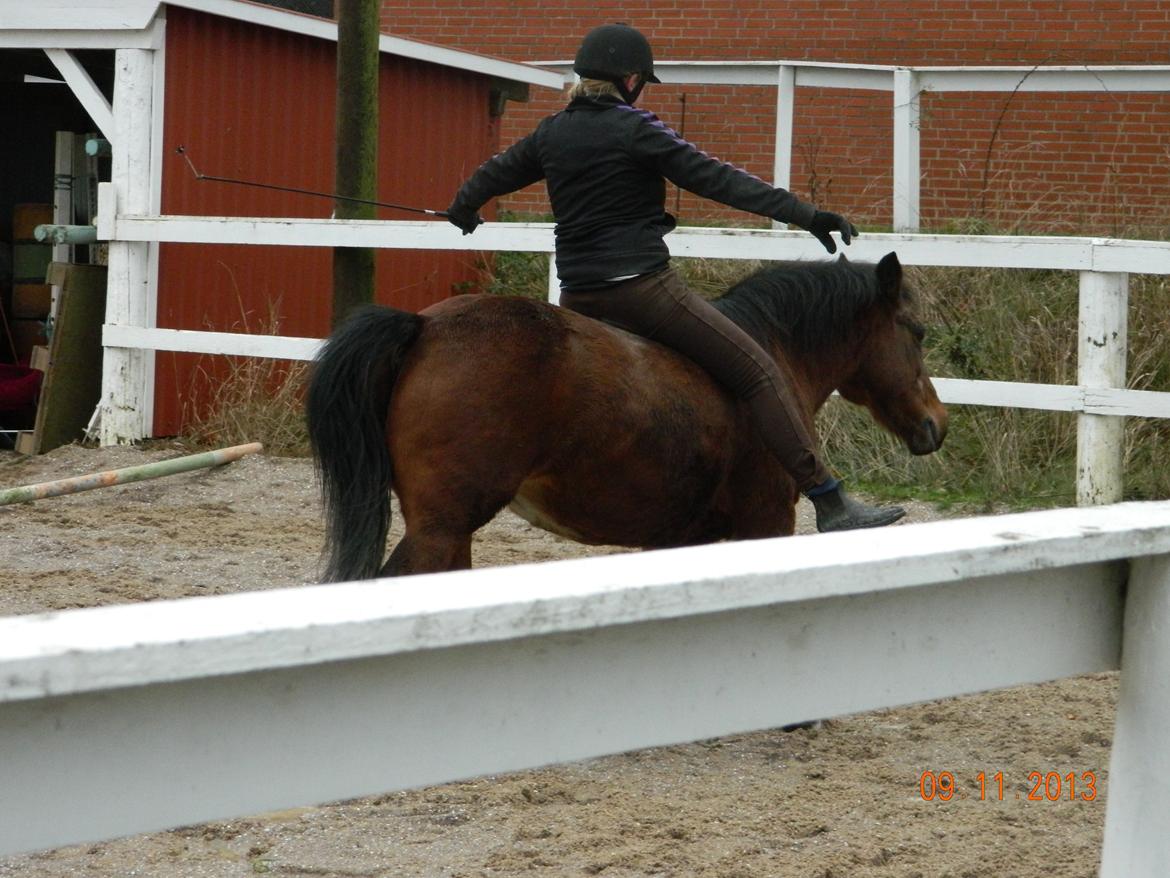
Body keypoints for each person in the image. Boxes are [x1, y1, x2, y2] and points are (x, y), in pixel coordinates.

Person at [446, 23, 904, 532]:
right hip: (641, 291)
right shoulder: (637, 128)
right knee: (760, 371)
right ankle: (829, 498)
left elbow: (496, 171)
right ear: (630, 80)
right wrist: (807, 215)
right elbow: (719, 179)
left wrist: (464, 206)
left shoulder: (551, 132)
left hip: (578, 296)